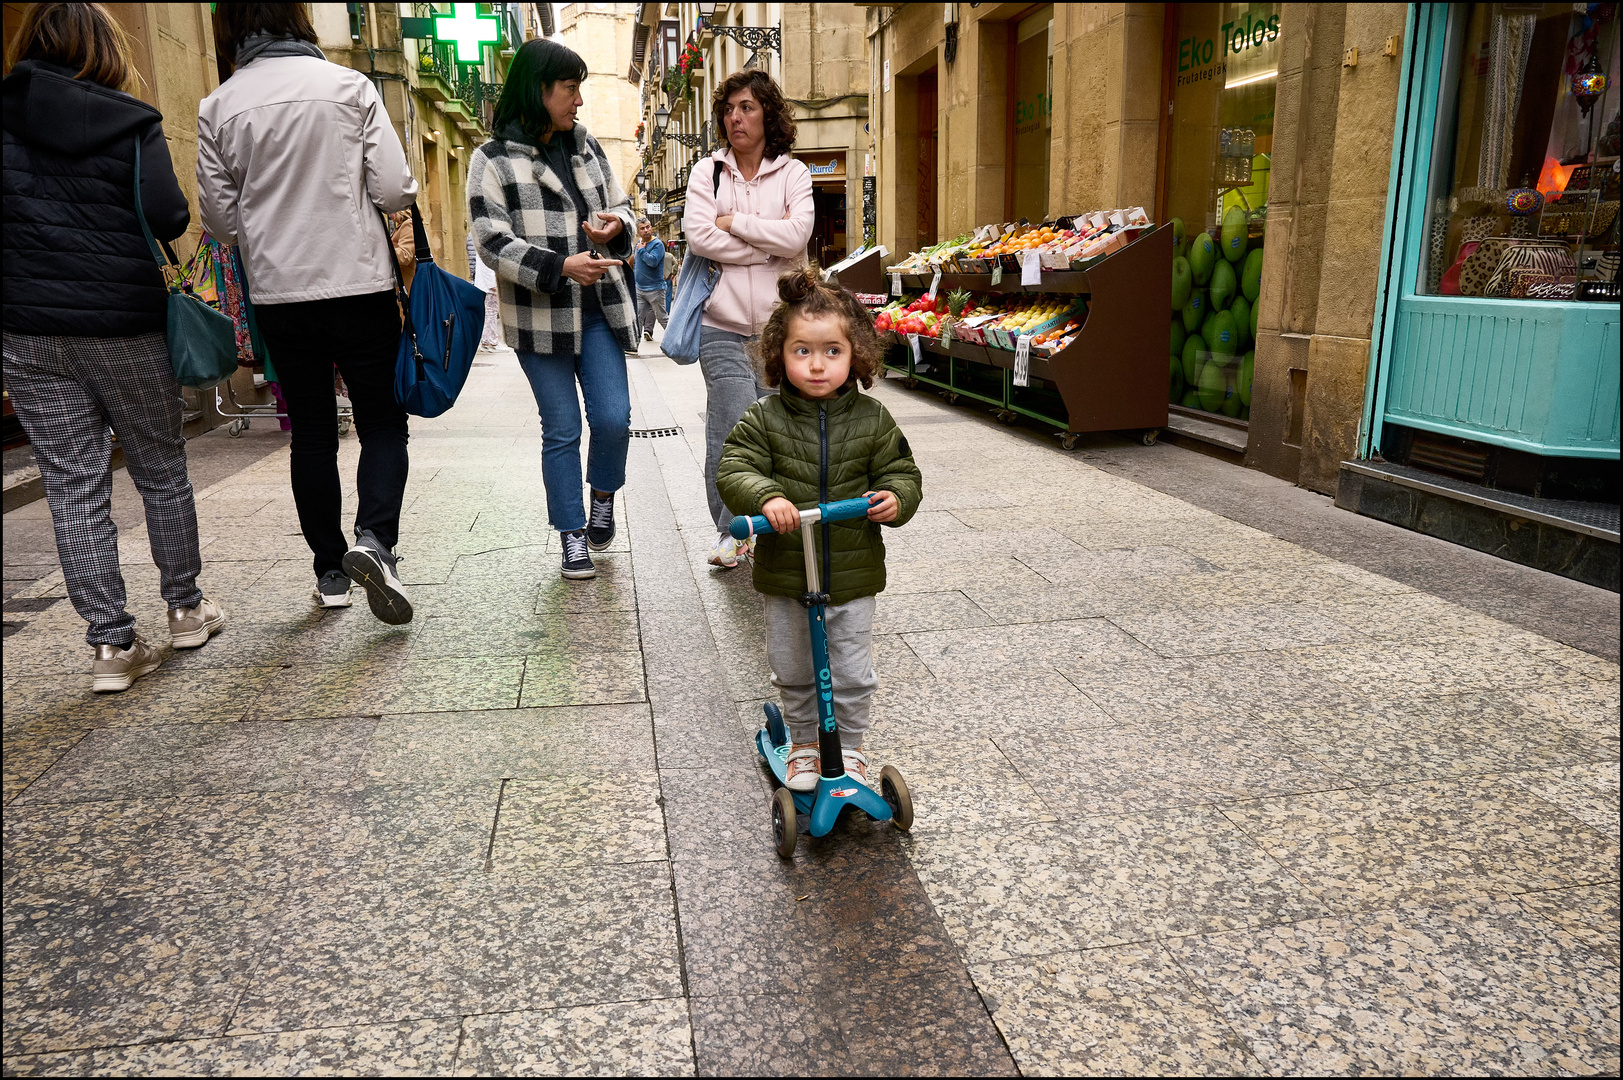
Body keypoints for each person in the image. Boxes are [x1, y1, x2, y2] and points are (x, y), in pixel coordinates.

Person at [2, 1, 226, 692]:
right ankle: (185, 609)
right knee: (160, 467)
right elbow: (168, 214)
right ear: (103, 47)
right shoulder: (131, 121)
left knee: (73, 483)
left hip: (29, 328)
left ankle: (110, 647)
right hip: (125, 323)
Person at [197, 3, 419, 624]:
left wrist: (267, 222)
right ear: (299, 20)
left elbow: (217, 220)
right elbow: (397, 188)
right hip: (360, 283)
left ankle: (329, 573)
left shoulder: (219, 107)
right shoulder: (350, 89)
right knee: (380, 422)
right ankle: (376, 542)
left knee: (313, 432)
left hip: (279, 292)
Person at [716, 266, 922, 790]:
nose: (816, 365)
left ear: (856, 354)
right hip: (788, 573)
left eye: (832, 351)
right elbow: (735, 468)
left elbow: (902, 471)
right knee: (794, 668)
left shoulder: (874, 419)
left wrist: (895, 499)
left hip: (852, 575)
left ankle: (848, 747)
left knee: (852, 671)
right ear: (777, 356)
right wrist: (768, 497)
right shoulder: (764, 419)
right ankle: (805, 744)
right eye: (801, 351)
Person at [468, 38, 636, 581]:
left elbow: (622, 206)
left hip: (599, 310)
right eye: (570, 88)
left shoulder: (586, 146)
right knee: (561, 428)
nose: (579, 101)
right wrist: (560, 266)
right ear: (539, 90)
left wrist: (614, 225)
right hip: (540, 319)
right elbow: (491, 240)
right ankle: (571, 535)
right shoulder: (491, 159)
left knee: (613, 418)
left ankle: (603, 497)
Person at [683, 69, 814, 570]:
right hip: (721, 326)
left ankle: (781, 526)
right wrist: (767, 247)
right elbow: (699, 237)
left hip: (783, 331)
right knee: (731, 430)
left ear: (768, 114)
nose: (735, 117)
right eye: (729, 108)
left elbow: (797, 236)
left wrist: (735, 224)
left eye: (747, 107)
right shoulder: (706, 172)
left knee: (783, 431)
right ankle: (732, 533)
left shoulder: (793, 173)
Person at [632, 216, 667, 342]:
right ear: (638, 231)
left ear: (651, 227)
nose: (646, 230)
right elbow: (636, 263)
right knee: (638, 317)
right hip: (640, 289)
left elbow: (653, 261)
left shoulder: (657, 244)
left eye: (648, 227)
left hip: (655, 289)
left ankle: (674, 343)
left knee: (662, 318)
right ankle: (634, 344)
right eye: (642, 228)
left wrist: (641, 250)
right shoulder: (638, 244)